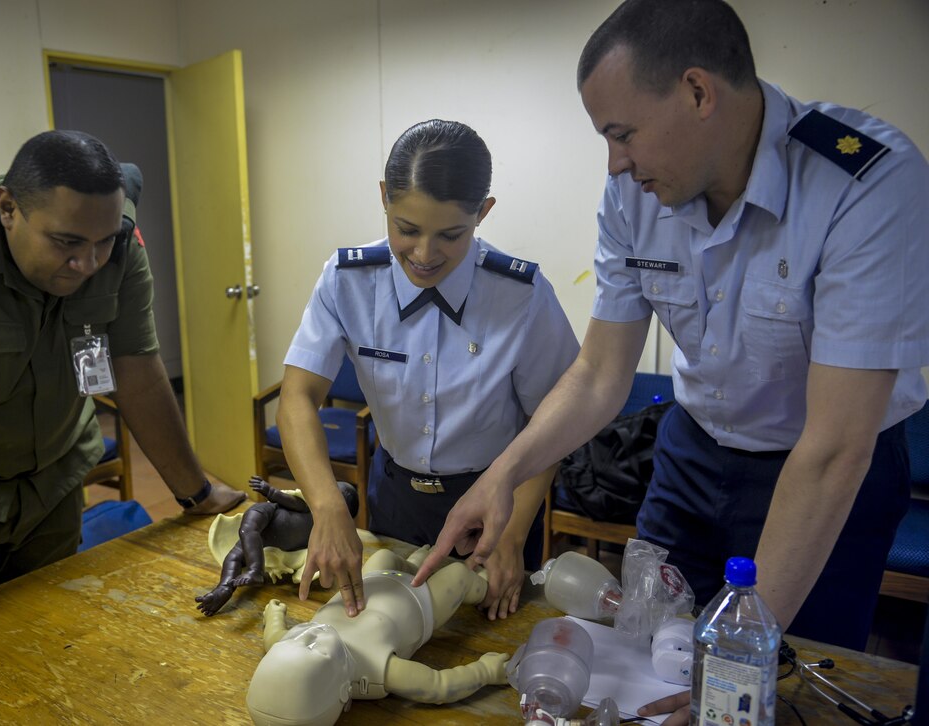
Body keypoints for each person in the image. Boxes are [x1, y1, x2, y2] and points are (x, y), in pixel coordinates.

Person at [418, 0, 929, 713]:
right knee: (646, 654)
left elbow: (835, 447)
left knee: (770, 690)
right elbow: (600, 373)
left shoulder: (862, 182)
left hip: (821, 473)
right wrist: (505, 473)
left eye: (622, 133)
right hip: (691, 456)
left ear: (697, 92)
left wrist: (732, 666)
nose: (614, 161)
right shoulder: (634, 194)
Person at [0, 130, 246, 677]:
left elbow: (138, 373)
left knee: (51, 645)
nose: (90, 263)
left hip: (53, 483)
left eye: (102, 243)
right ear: (8, 208)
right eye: (67, 243)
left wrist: (195, 491)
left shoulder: (115, 238)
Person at [277, 120, 580, 621]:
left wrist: (512, 532)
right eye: (407, 229)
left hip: (496, 505)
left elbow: (550, 423)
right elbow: (297, 397)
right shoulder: (348, 281)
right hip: (394, 495)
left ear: (483, 213)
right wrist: (328, 507)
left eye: (450, 235)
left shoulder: (519, 296)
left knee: (486, 646)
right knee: (384, 628)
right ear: (384, 199)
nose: (423, 254)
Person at [245, 546, 509, 725]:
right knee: (459, 575)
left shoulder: (289, 645)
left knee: (384, 554)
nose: (307, 632)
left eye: (292, 641)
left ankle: (415, 564)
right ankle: (490, 590)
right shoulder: (378, 669)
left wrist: (274, 615)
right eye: (314, 648)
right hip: (422, 601)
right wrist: (484, 671)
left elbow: (273, 638)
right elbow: (438, 686)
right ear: (342, 692)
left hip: (372, 579)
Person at [196, 476, 359, 616]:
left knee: (234, 556)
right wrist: (268, 490)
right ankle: (251, 572)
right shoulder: (308, 507)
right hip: (268, 515)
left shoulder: (325, 535)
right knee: (247, 530)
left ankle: (224, 588)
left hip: (267, 547)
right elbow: (288, 500)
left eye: (336, 493)